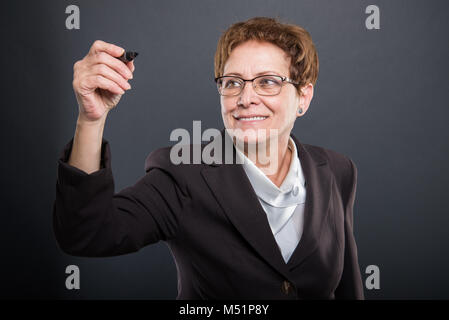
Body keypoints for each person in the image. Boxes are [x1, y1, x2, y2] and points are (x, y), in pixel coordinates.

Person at [53, 16, 364, 299]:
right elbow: (85, 234)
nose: (245, 98)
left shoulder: (336, 170)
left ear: (303, 97)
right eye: (232, 83)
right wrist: (91, 120)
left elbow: (347, 286)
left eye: (267, 82)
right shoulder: (182, 175)